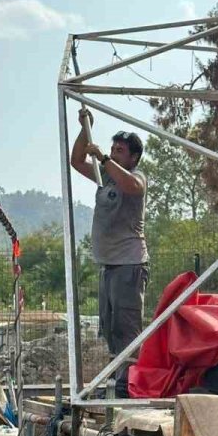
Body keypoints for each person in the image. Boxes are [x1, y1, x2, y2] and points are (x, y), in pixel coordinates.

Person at [71, 108, 149, 397]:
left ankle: (127, 384)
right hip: (108, 264)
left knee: (126, 326)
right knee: (110, 326)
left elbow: (132, 185)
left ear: (133, 158)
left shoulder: (136, 177)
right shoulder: (105, 176)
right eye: (113, 149)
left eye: (121, 151)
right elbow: (76, 161)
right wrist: (85, 127)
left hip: (129, 263)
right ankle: (116, 378)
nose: (115, 154)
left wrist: (103, 157)